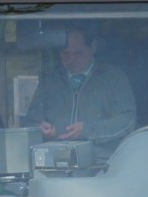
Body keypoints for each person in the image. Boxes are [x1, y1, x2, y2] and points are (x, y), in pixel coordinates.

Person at [24, 28, 136, 159]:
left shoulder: (113, 78)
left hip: (102, 166)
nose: (71, 59)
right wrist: (40, 129)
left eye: (78, 53)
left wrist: (88, 131)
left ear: (93, 47)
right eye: (65, 54)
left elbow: (127, 122)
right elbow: (29, 123)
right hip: (55, 167)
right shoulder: (50, 81)